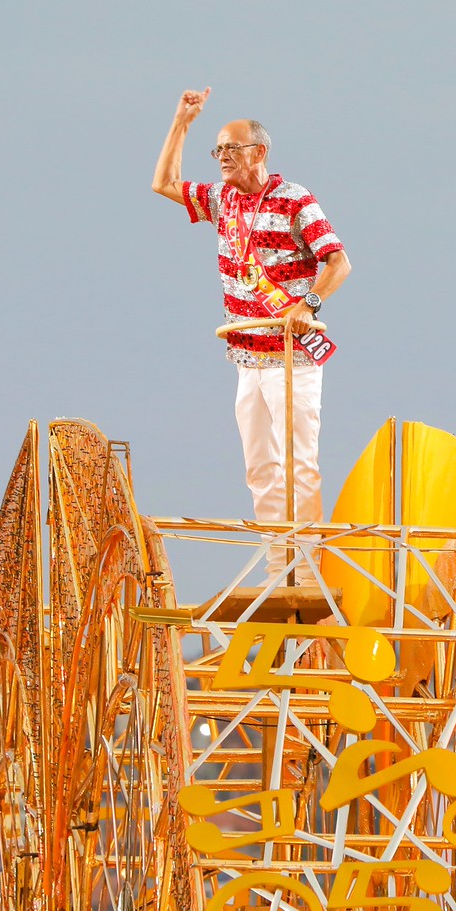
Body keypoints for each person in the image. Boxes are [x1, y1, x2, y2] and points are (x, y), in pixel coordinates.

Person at [151, 88, 351, 577]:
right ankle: (278, 568)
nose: (222, 157)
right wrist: (181, 122)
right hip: (246, 356)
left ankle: (308, 571)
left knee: (300, 463)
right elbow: (164, 183)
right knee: (260, 467)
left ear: (259, 152)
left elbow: (338, 262)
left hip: (292, 356)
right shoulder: (222, 200)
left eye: (231, 149)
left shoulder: (294, 199)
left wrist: (308, 303)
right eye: (217, 150)